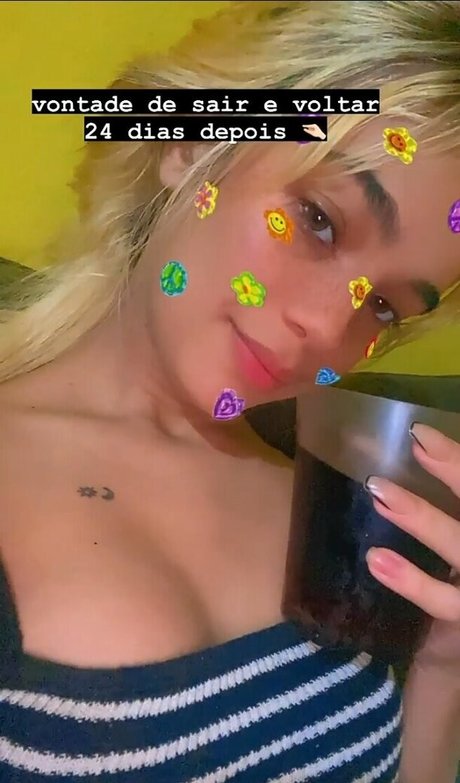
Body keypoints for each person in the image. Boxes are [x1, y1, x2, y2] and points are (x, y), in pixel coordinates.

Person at [0, 1, 459, 781]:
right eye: (318, 219)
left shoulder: (337, 514)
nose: (327, 326)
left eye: (384, 306)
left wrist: (444, 664)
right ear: (192, 142)